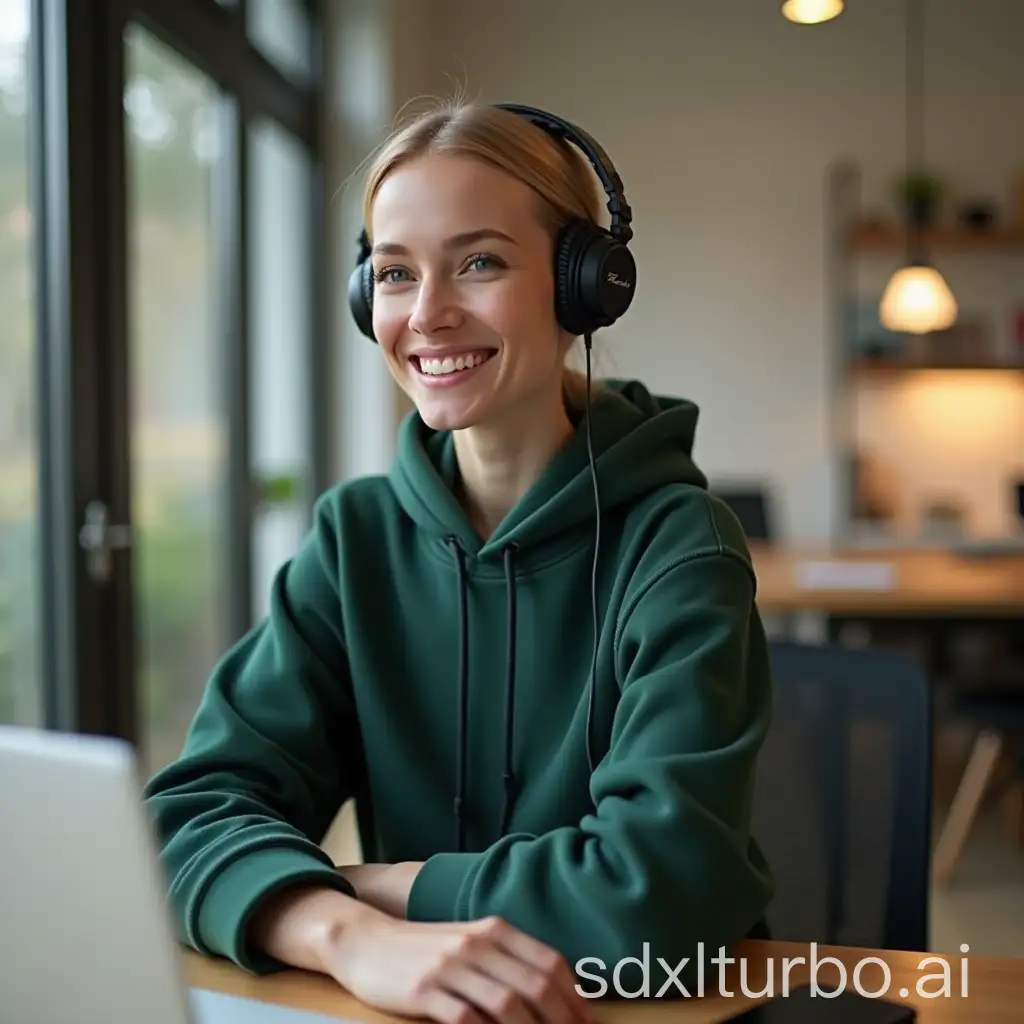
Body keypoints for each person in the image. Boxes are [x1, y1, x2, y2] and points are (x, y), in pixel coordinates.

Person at [143, 99, 775, 1022]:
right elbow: (180, 822)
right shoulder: (352, 540)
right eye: (395, 273)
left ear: (583, 287)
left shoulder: (679, 547)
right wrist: (348, 936)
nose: (429, 315)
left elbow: (663, 893)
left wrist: (385, 885)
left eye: (478, 262)